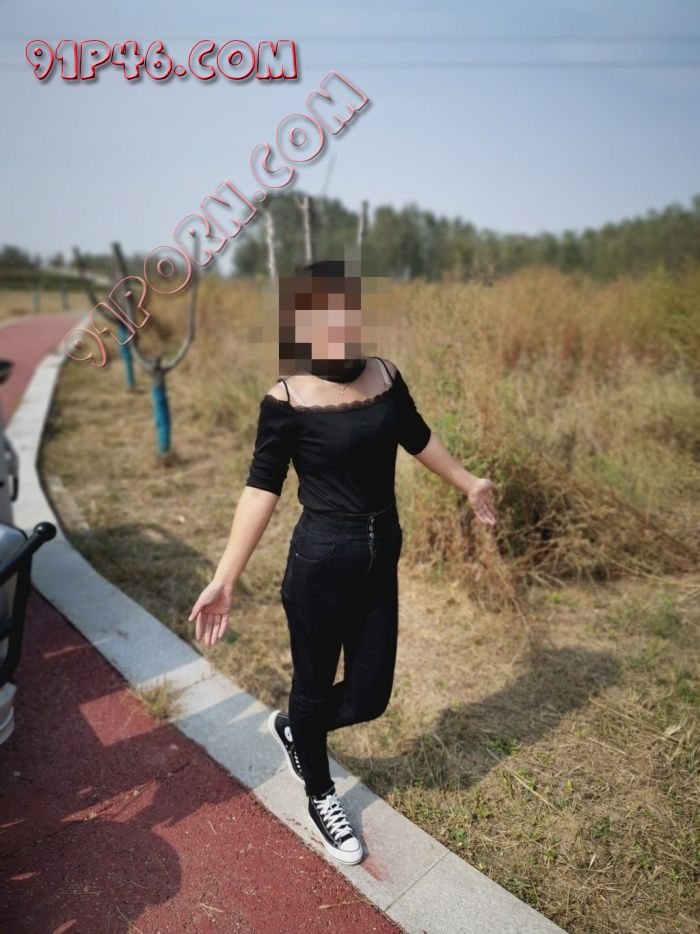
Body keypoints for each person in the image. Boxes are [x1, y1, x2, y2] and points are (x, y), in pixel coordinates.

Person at [188, 260, 498, 865]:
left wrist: (468, 483)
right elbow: (261, 490)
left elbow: (415, 435)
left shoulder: (384, 374)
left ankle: (296, 729)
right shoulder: (287, 399)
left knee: (368, 698)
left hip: (382, 553)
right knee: (312, 686)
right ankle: (320, 792)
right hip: (321, 563)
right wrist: (225, 578)